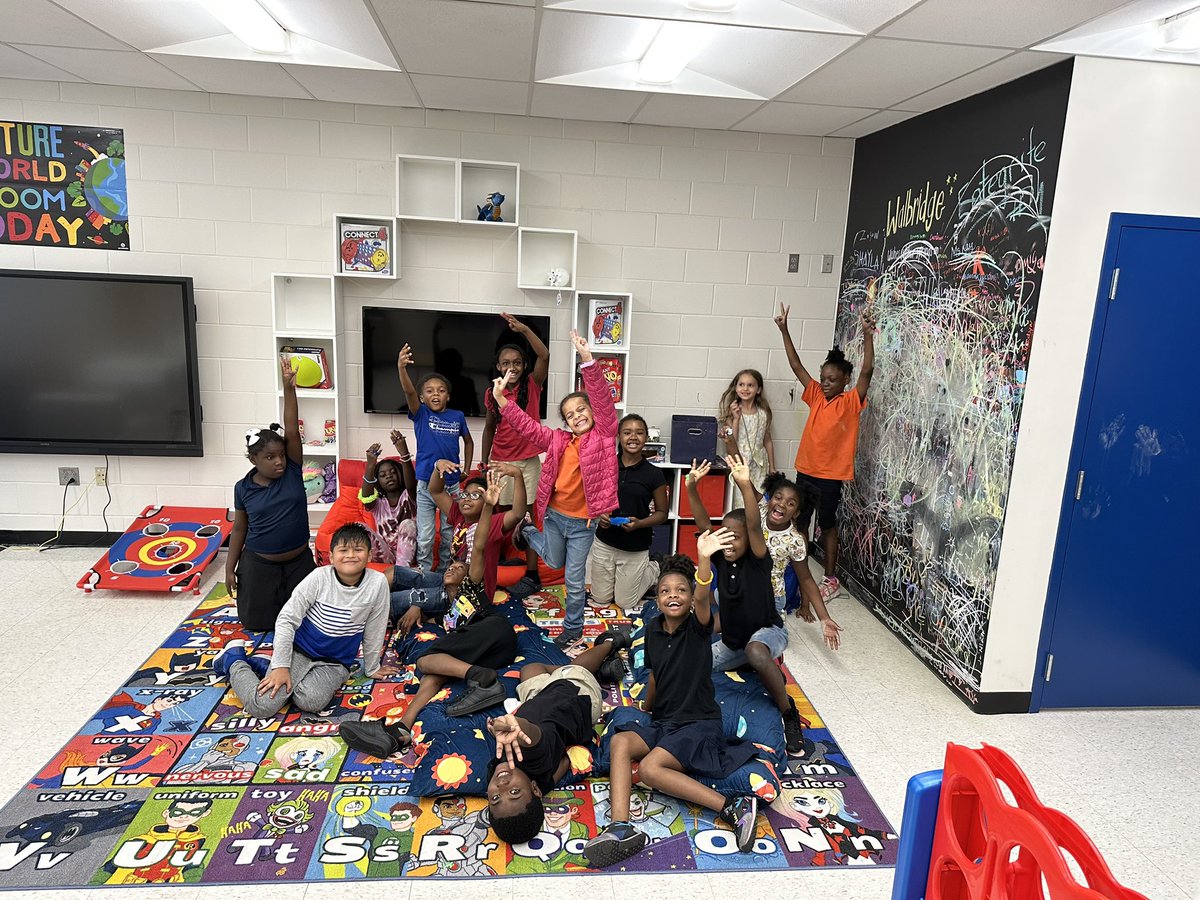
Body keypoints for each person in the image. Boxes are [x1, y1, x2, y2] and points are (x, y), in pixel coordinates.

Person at [582, 543, 760, 868]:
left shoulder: (697, 627)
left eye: (681, 590)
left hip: (698, 723)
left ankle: (732, 807)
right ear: (657, 597)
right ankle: (620, 826)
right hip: (665, 723)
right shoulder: (652, 630)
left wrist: (703, 559)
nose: (673, 595)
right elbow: (655, 676)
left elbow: (704, 597)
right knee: (621, 741)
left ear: (690, 598)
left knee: (651, 768)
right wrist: (645, 707)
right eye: (665, 590)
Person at [339, 470, 519, 759]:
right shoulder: (448, 612)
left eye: (458, 568)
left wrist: (488, 506)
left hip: (495, 631)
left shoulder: (471, 588)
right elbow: (435, 618)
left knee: (426, 659)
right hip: (484, 648)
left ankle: (483, 679)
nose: (452, 567)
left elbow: (480, 545)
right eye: (451, 566)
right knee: (433, 673)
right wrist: (419, 608)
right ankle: (400, 730)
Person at [493, 329, 619, 648]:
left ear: (593, 412)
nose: (577, 417)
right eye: (570, 415)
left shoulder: (604, 436)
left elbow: (602, 399)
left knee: (573, 580)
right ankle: (528, 531)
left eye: (582, 410)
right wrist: (502, 400)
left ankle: (572, 628)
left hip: (583, 525)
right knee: (552, 560)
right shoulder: (558, 441)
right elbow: (528, 427)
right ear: (565, 422)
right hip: (553, 516)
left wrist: (587, 359)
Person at [686, 454, 807, 757]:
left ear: (750, 541)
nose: (728, 542)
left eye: (736, 538)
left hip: (769, 633)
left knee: (755, 650)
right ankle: (749, 664)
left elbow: (753, 525)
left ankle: (788, 711)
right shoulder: (720, 557)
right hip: (734, 643)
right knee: (692, 665)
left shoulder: (758, 559)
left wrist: (743, 484)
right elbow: (703, 525)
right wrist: (691, 488)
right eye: (724, 536)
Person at [213, 523, 394, 717]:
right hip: (299, 650)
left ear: (369, 555)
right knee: (263, 706)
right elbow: (286, 619)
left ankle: (264, 665)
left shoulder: (377, 583)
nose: (350, 555)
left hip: (335, 662)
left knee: (310, 701)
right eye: (343, 550)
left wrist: (372, 667)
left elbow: (375, 626)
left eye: (358, 550)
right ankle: (234, 660)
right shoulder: (318, 577)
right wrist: (281, 666)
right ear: (331, 557)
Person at [483, 629, 631, 846]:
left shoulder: (542, 783)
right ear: (534, 789)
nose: (502, 785)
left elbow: (563, 764)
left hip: (538, 702)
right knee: (576, 669)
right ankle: (610, 644)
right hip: (575, 699)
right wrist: (514, 726)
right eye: (514, 792)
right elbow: (530, 737)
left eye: (495, 798)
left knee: (530, 669)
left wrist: (566, 749)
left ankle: (597, 672)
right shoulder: (531, 757)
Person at [776, 302, 876, 601]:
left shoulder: (851, 401)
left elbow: (867, 369)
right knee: (800, 522)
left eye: (832, 380)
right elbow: (797, 366)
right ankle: (799, 571)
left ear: (846, 380)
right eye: (823, 379)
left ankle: (831, 578)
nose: (826, 384)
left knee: (827, 524)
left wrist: (867, 334)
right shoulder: (817, 396)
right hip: (806, 470)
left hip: (831, 477)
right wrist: (784, 330)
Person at [226, 361, 315, 632]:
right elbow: (239, 528)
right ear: (253, 459)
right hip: (260, 565)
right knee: (257, 624)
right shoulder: (243, 488)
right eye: (270, 457)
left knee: (308, 621)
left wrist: (289, 389)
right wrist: (229, 568)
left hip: (299, 562)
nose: (278, 461)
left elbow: (291, 428)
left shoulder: (292, 470)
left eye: (281, 455)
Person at [382, 461, 527, 626]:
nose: (467, 499)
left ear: (488, 499)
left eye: (475, 495)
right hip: (449, 581)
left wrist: (517, 474)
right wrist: (437, 467)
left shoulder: (493, 522)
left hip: (468, 596)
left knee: (392, 601)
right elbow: (435, 491)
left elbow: (518, 513)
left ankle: (380, 613)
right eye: (465, 494)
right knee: (394, 573)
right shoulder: (459, 516)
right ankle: (365, 599)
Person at [482, 312, 550, 601]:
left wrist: (523, 330)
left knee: (529, 517)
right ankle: (495, 568)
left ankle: (532, 574)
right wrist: (483, 462)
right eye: (506, 363)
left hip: (528, 463)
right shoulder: (493, 392)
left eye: (517, 363)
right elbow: (489, 428)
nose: (512, 367)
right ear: (498, 366)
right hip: (500, 461)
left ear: (524, 366)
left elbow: (544, 354)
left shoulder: (532, 384)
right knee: (498, 515)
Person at [397, 342, 474, 573]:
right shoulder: (421, 414)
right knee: (426, 535)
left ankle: (444, 573)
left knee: (450, 533)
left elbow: (468, 441)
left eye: (441, 390)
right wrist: (401, 368)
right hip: (425, 486)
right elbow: (409, 391)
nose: (436, 394)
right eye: (429, 391)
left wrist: (466, 469)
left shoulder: (457, 416)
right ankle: (425, 572)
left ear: (448, 396)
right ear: (422, 398)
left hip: (452, 485)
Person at [588, 413, 669, 611]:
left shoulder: (654, 474)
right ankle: (622, 580)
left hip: (635, 547)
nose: (633, 437)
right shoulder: (606, 465)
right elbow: (592, 498)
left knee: (625, 603)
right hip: (605, 542)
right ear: (618, 436)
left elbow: (662, 513)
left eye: (639, 433)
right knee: (601, 599)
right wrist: (600, 514)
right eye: (627, 432)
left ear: (646, 437)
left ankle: (654, 567)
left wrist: (639, 524)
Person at [753, 471, 842, 647]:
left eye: (790, 503)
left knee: (758, 639)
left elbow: (806, 579)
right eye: (778, 498)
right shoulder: (762, 510)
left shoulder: (795, 541)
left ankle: (777, 633)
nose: (782, 504)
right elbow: (746, 486)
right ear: (770, 500)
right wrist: (734, 456)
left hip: (772, 597)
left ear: (796, 513)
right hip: (749, 588)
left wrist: (824, 618)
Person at [718, 368, 774, 509]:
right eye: (741, 384)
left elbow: (767, 440)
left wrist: (772, 467)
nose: (745, 388)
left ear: (758, 389)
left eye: (750, 385)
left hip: (760, 465)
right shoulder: (732, 413)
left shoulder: (763, 413)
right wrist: (736, 419)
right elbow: (732, 440)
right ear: (736, 388)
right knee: (741, 502)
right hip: (740, 462)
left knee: (759, 501)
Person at [360, 430, 418, 567]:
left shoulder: (410, 496)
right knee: (358, 527)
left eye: (393, 472)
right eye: (383, 475)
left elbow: (411, 485)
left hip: (409, 556)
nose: (389, 476)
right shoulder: (378, 504)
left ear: (401, 474)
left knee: (408, 524)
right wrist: (370, 464)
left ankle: (401, 572)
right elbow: (366, 498)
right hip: (385, 555)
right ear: (377, 481)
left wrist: (404, 453)